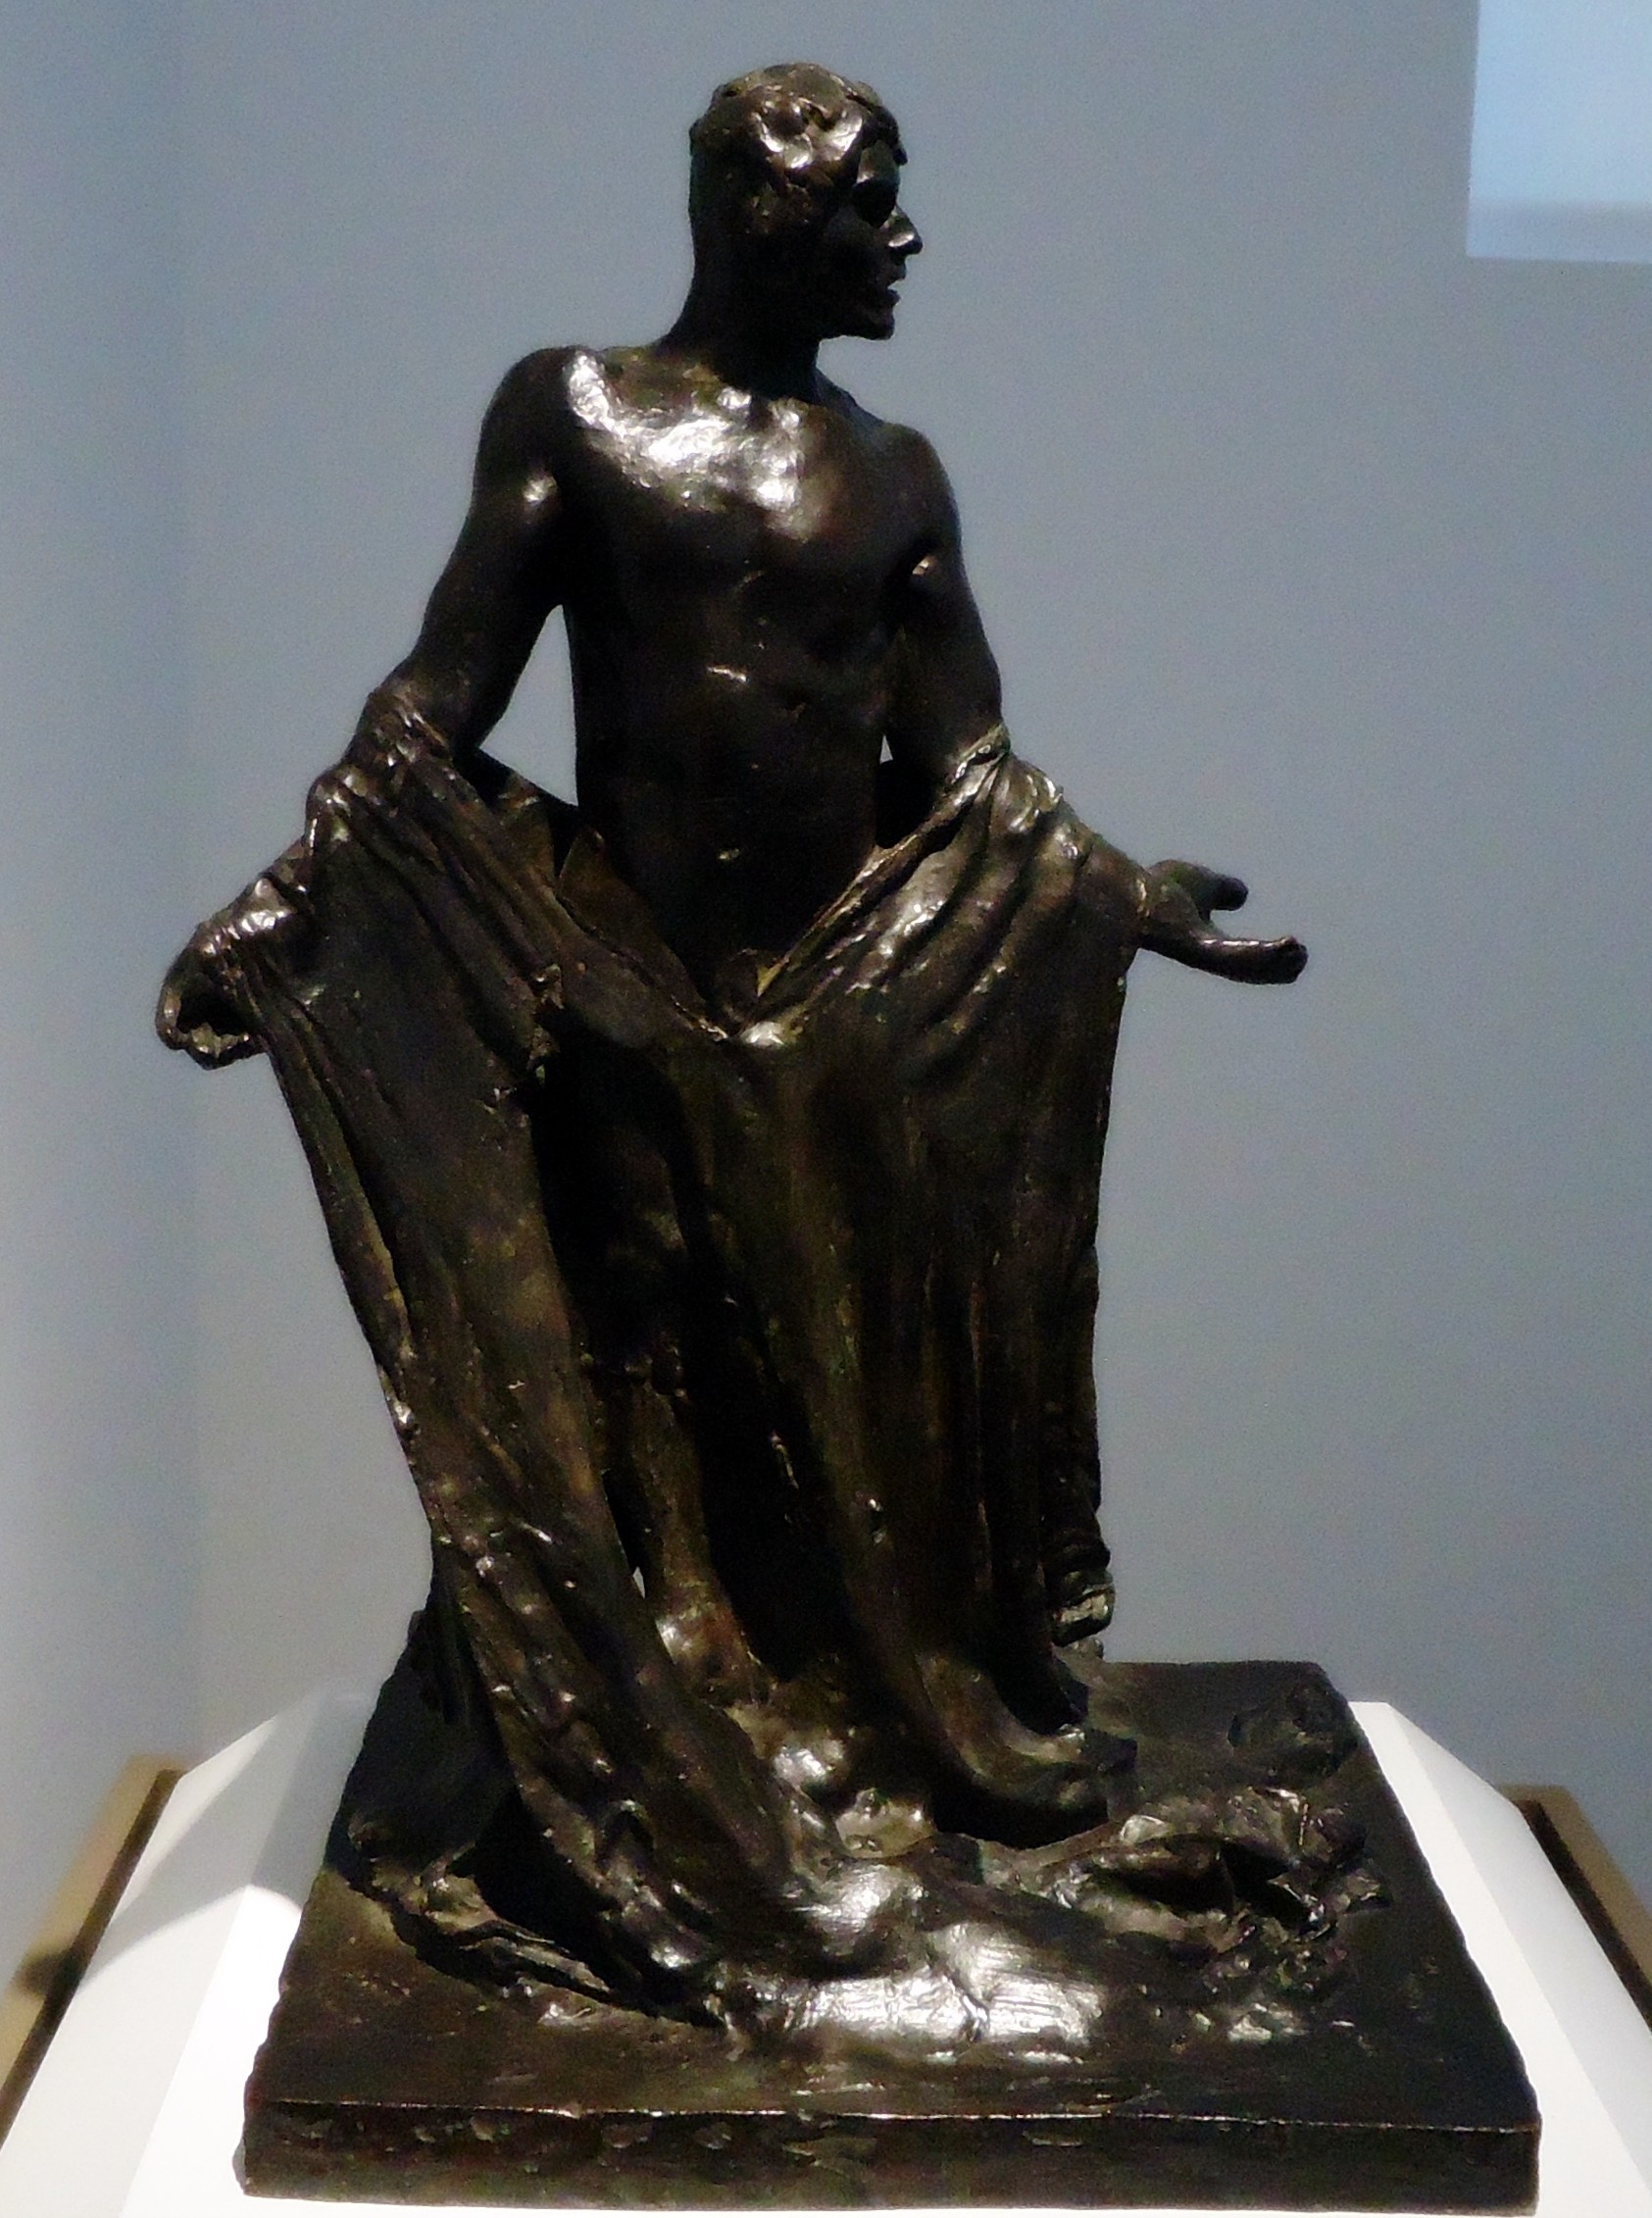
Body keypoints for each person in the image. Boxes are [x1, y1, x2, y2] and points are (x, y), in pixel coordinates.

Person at [160, 66, 1315, 2046]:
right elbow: (440, 700)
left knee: (832, 1389)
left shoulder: (898, 477)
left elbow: (967, 771)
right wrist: (287, 904)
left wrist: (1121, 894)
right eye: (872, 201)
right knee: (641, 1355)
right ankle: (659, 1728)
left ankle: (836, 1726)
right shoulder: (577, 414)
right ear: (770, 212)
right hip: (615, 977)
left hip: (845, 994)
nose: (903, 239)